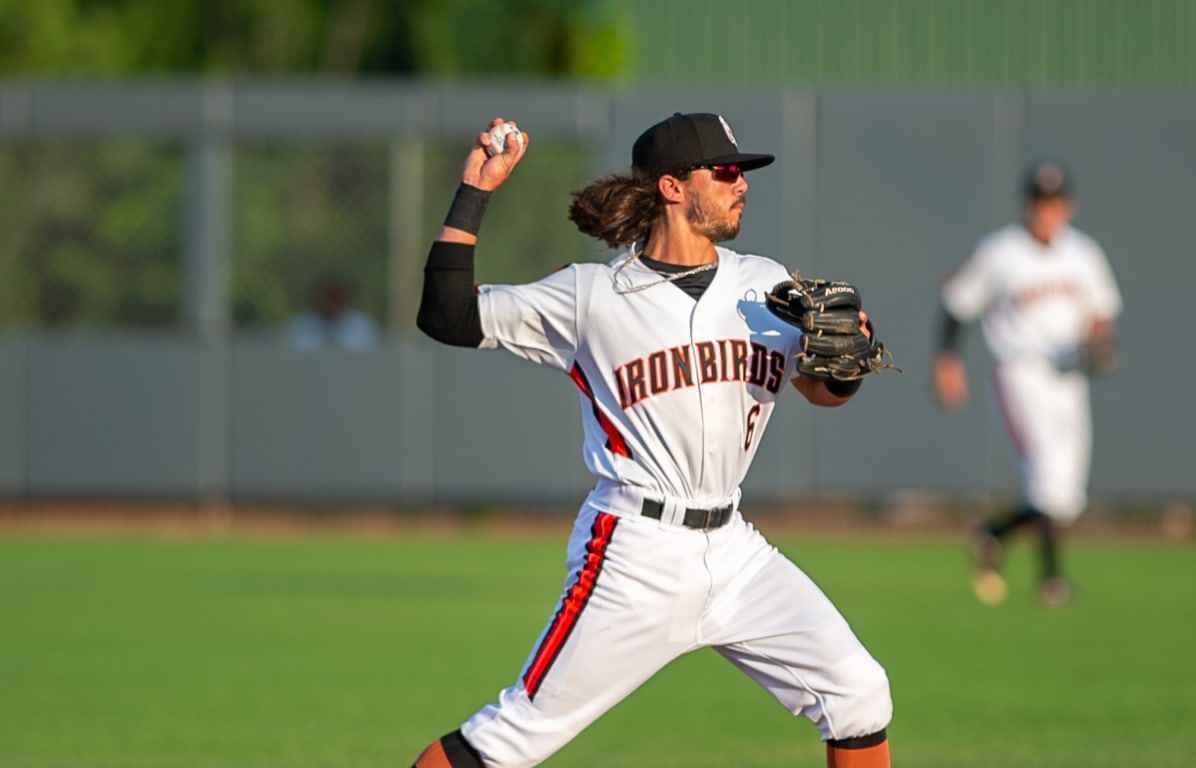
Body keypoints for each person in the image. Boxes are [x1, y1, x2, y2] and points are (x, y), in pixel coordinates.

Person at [408, 113, 893, 768]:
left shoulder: (764, 284)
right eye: (723, 172)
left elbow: (821, 390)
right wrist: (475, 189)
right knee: (509, 739)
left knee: (859, 695)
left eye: (741, 173)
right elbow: (448, 316)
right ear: (671, 186)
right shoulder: (591, 296)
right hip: (636, 551)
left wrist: (847, 363)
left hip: (734, 549)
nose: (739, 184)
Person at [932, 160, 1122, 609]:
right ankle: (1052, 581)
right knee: (1049, 478)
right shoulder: (1001, 252)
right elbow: (957, 302)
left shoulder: (1084, 254)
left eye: (1054, 202)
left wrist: (1099, 339)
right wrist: (947, 360)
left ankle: (991, 534)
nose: (1046, 211)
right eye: (1039, 201)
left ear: (1068, 206)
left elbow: (1102, 313)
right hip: (1020, 373)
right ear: (1027, 204)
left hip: (1071, 376)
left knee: (1068, 497)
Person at [286, 278, 380, 349]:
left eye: (337, 300)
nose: (332, 306)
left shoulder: (363, 326)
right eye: (330, 299)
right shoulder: (301, 326)